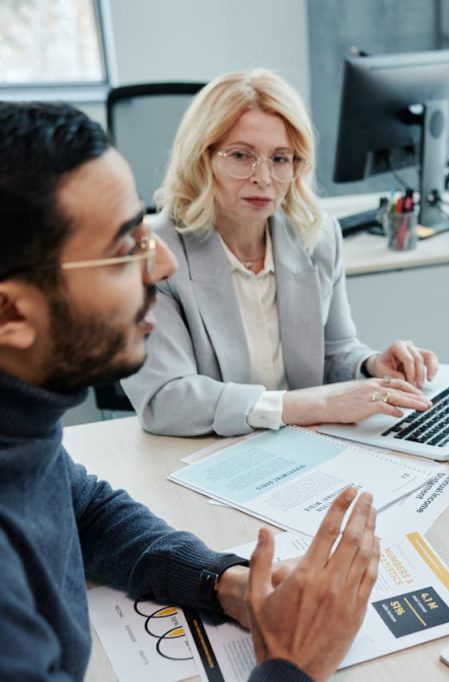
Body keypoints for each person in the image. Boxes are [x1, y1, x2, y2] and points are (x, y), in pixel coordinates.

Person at [0, 100, 379, 681]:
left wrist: (222, 582)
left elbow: (86, 512)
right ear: (11, 312)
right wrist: (294, 665)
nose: (162, 266)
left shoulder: (21, 425)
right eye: (125, 247)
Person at [121, 68, 438, 437]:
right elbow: (165, 400)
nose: (264, 178)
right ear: (202, 159)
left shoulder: (317, 237)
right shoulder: (158, 253)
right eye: (241, 156)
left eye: (280, 158)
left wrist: (368, 366)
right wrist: (311, 405)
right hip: (206, 453)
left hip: (305, 444)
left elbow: (334, 349)